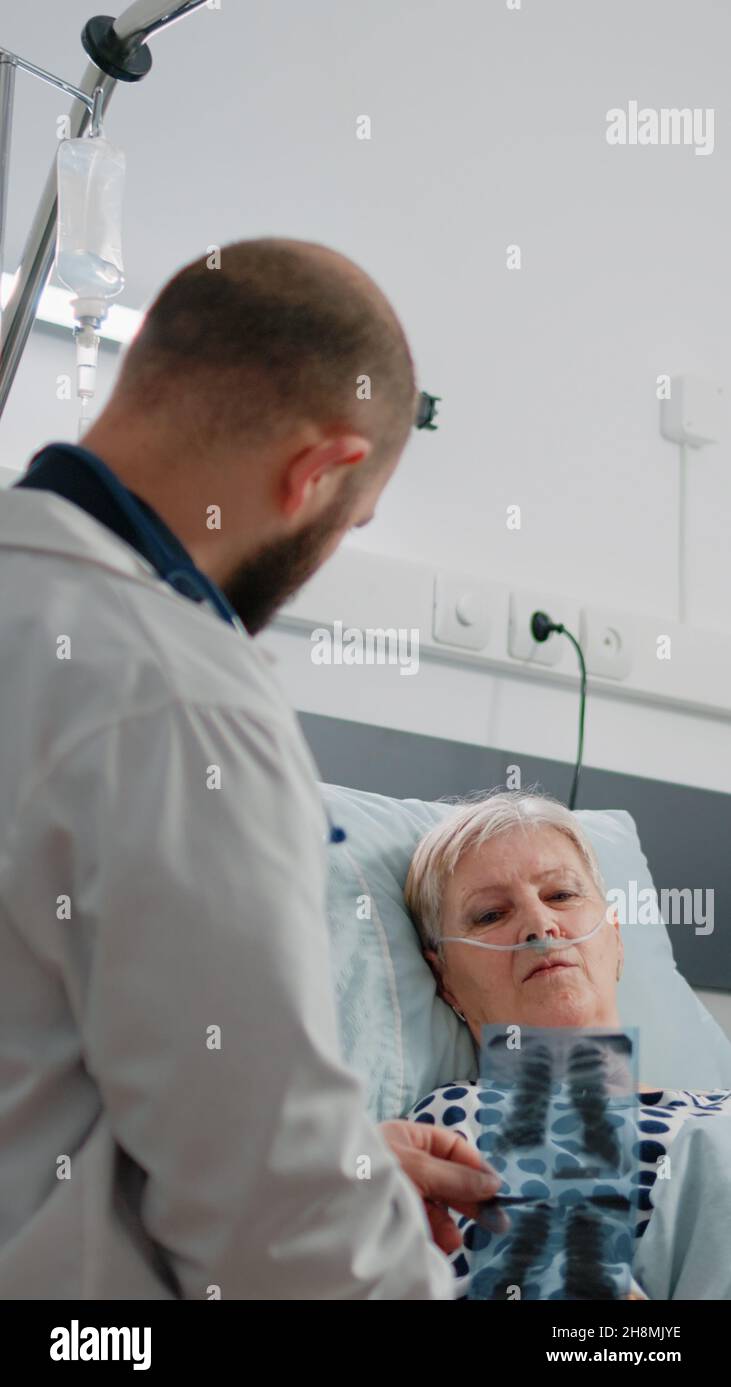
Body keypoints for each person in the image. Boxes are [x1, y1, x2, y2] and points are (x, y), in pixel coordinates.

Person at [0, 238, 499, 1300]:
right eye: (350, 524)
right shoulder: (180, 696)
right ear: (318, 473)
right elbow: (279, 1227)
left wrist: (351, 1156)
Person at [403, 789, 731, 1298]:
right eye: (490, 915)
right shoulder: (463, 1123)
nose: (540, 925)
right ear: (445, 980)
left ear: (616, 937)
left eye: (561, 895)